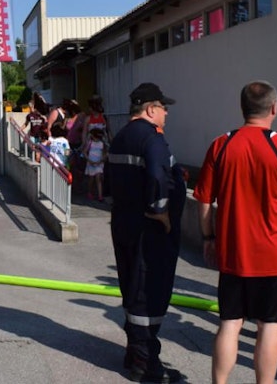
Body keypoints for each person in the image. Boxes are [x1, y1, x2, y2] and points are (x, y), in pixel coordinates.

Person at [193, 81, 277, 384]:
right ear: (274, 109)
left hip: (234, 252)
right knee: (269, 326)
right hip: (273, 255)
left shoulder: (221, 145)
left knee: (230, 323)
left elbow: (204, 199)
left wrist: (208, 238)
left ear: (242, 108)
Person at [105, 82, 186, 383]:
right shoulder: (151, 138)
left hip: (123, 223)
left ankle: (134, 351)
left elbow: (109, 183)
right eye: (164, 108)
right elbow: (156, 175)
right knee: (149, 290)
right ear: (151, 109)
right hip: (148, 229)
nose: (166, 114)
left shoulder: (121, 136)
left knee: (131, 284)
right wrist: (160, 210)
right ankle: (147, 364)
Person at [23, 93, 49, 162]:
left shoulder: (42, 115)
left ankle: (37, 162)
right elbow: (26, 124)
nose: (30, 109)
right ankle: (36, 162)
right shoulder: (30, 115)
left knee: (38, 151)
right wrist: (20, 129)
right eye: (29, 107)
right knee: (34, 149)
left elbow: (46, 124)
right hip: (32, 135)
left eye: (30, 107)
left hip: (40, 136)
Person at [83, 128, 107, 202]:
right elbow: (85, 152)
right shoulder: (90, 143)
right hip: (91, 162)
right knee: (91, 179)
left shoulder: (102, 143)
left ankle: (100, 196)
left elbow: (104, 154)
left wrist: (101, 161)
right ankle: (90, 192)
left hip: (99, 163)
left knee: (98, 178)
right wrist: (89, 160)